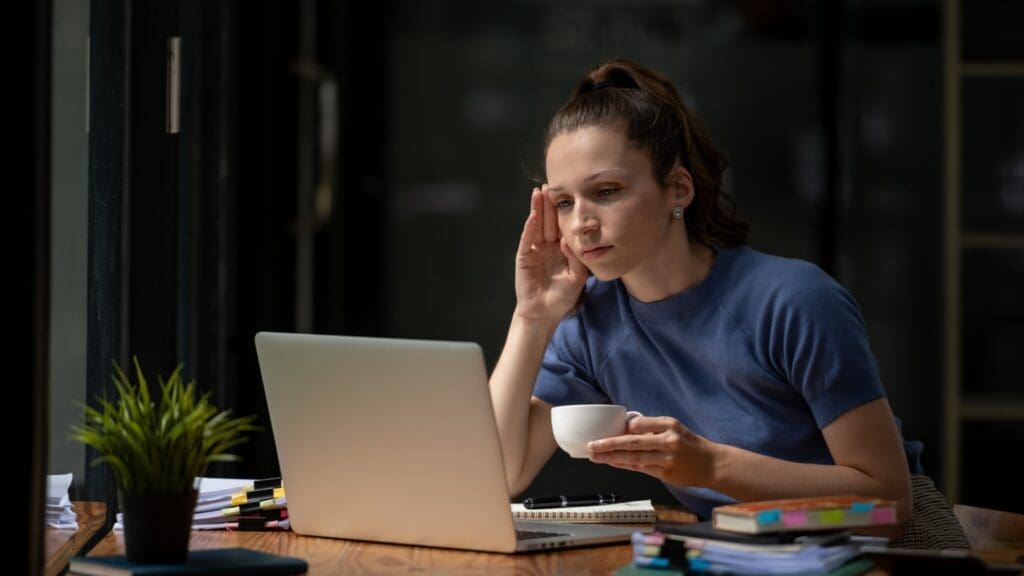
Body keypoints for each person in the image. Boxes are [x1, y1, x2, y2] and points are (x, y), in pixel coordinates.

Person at [488, 58, 967, 549]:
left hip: (885, 550)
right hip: (742, 550)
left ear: (679, 188)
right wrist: (532, 315)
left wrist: (710, 465)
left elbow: (888, 499)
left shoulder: (795, 301)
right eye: (564, 202)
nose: (581, 223)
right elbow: (499, 475)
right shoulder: (590, 322)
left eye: (606, 191)